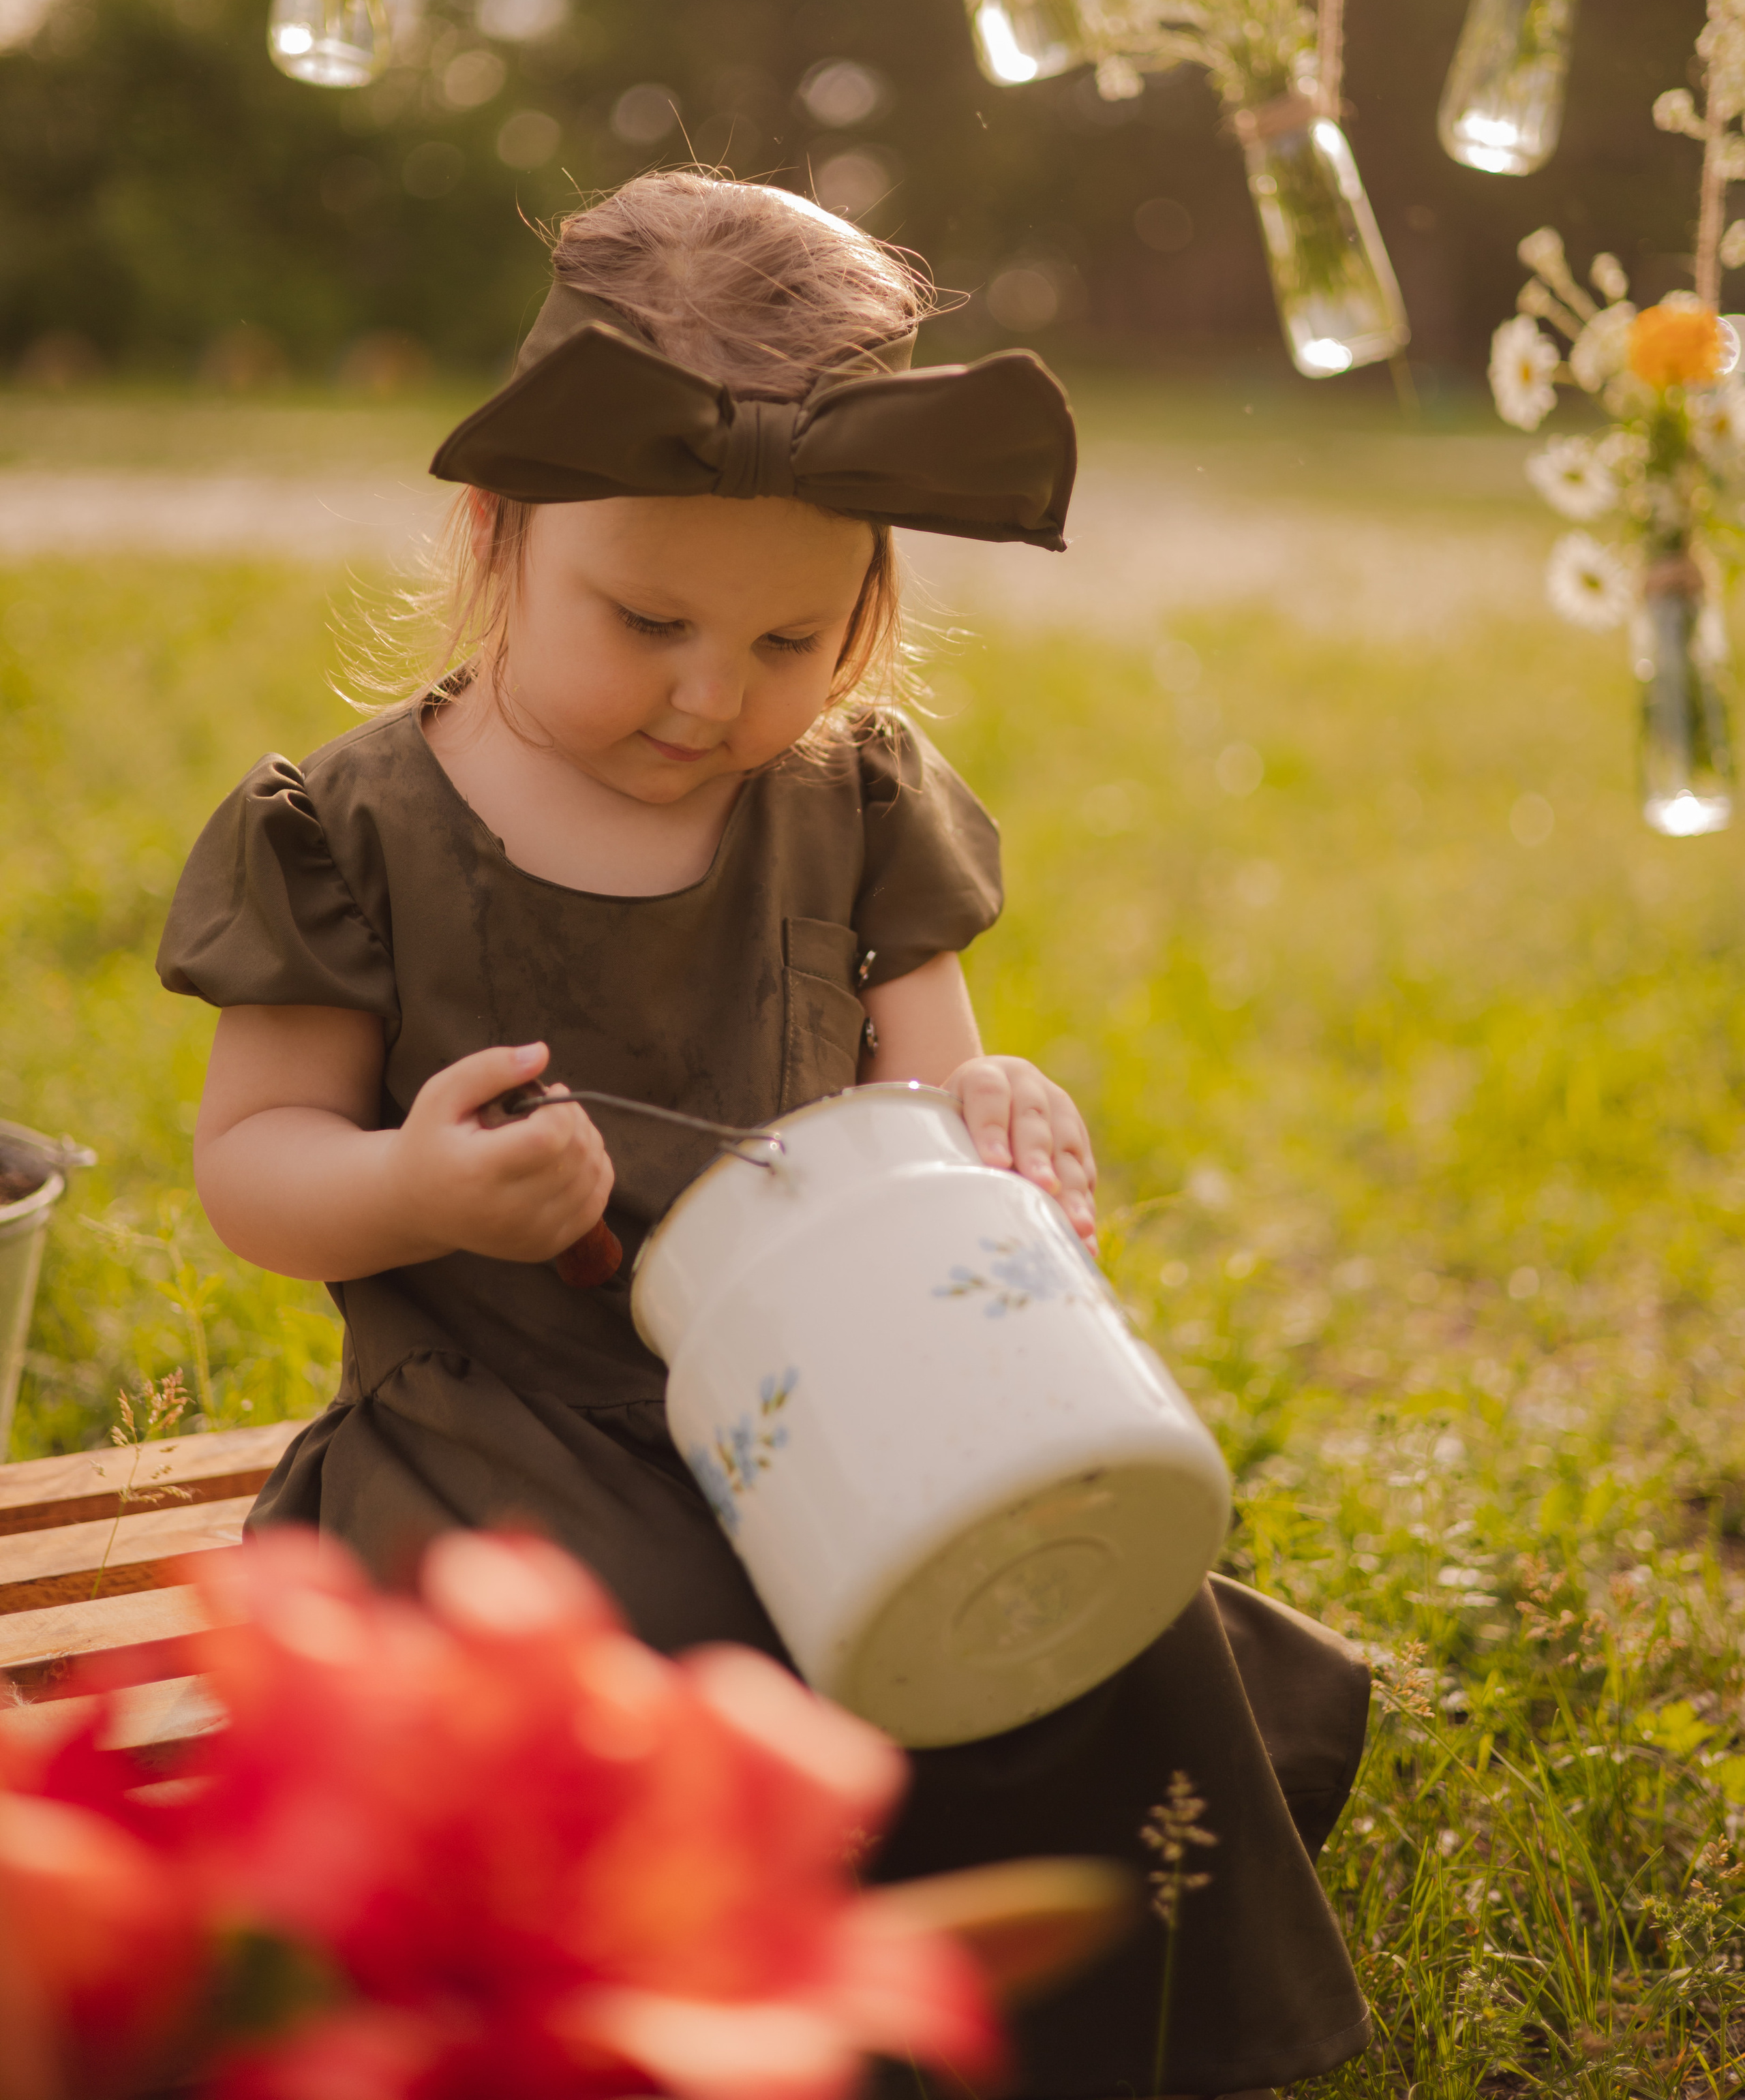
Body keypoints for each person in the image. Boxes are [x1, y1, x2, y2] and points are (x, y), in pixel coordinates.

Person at [158, 168, 1371, 2099]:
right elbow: (255, 1169)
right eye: (645, 622)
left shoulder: (845, 799)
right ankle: (717, 2036)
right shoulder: (352, 832)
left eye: (792, 642)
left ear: (866, 612)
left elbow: (924, 1098)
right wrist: (413, 1184)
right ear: (499, 534)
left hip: (837, 1387)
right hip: (508, 1436)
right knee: (650, 1681)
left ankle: (1125, 2036)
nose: (712, 697)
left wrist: (997, 1131)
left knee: (1064, 1607)